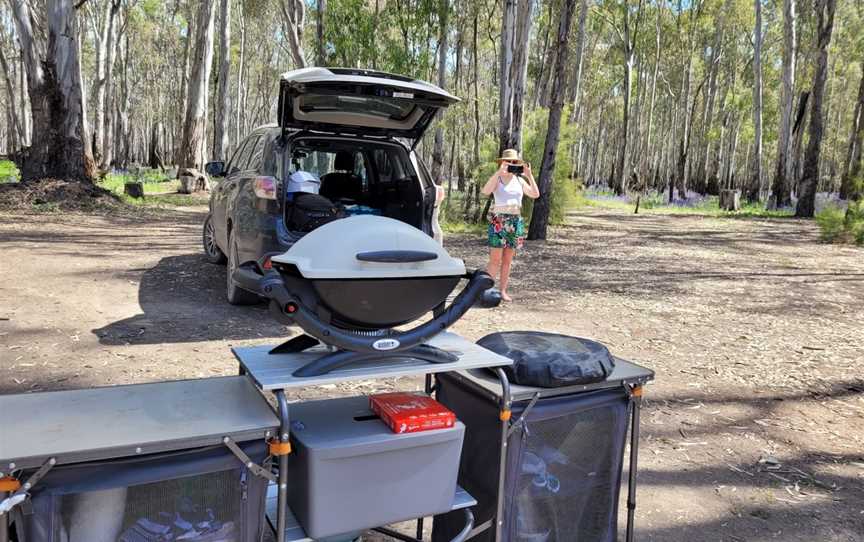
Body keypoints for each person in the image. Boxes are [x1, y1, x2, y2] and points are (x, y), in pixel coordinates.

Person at [481, 148, 540, 301]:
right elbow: (485, 191)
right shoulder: (498, 179)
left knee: (507, 260)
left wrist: (529, 175)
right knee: (495, 260)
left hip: (515, 221)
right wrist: (498, 173)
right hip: (499, 221)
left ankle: (503, 291)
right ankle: (484, 291)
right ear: (502, 162)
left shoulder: (519, 180)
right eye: (508, 162)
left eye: (514, 162)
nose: (511, 165)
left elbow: (535, 194)